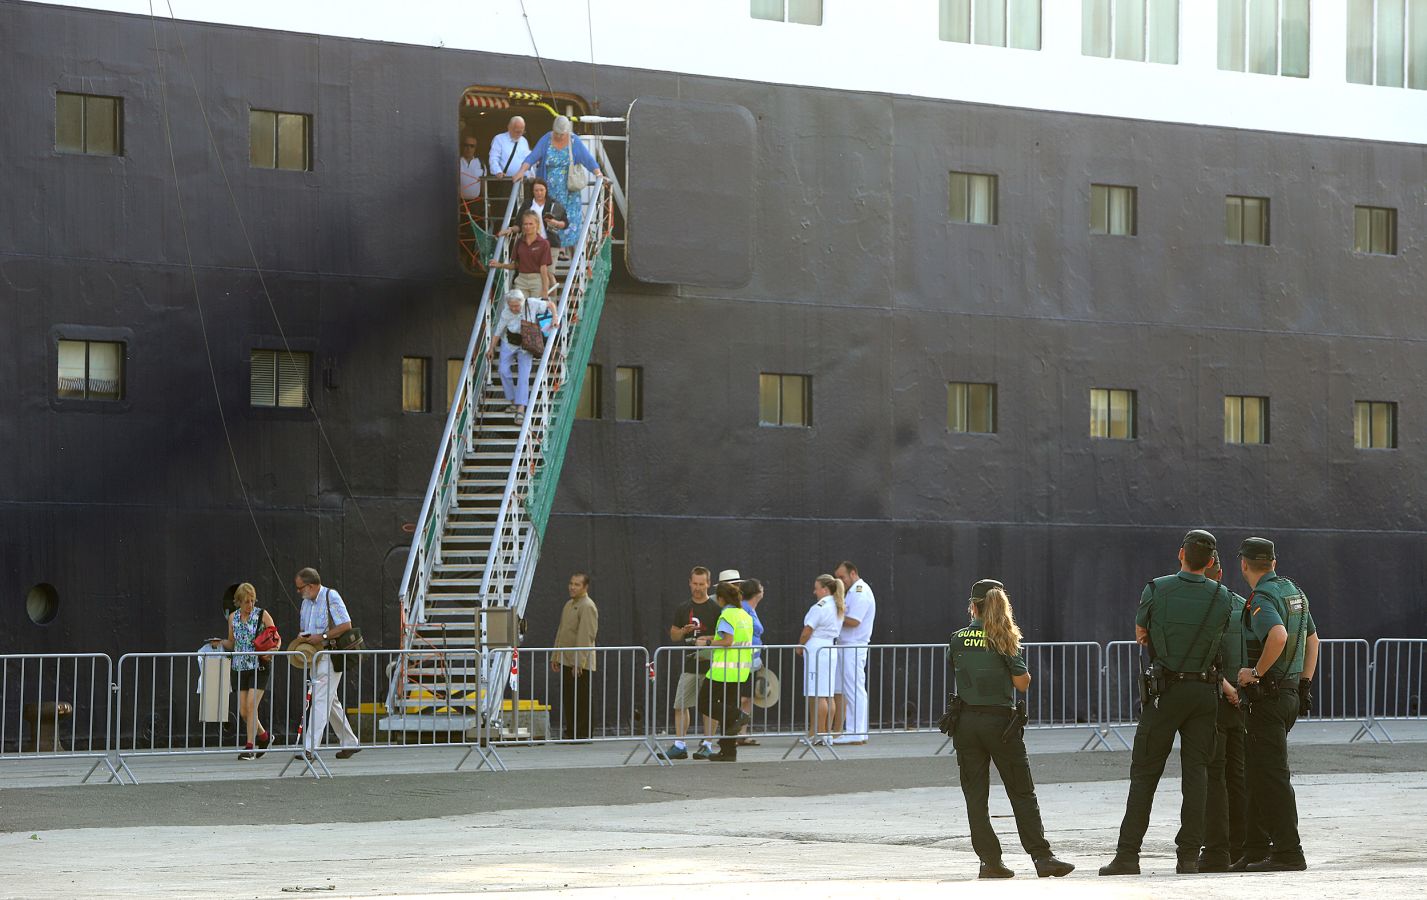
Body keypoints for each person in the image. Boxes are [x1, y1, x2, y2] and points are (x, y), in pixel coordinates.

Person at [1100, 530, 1233, 876]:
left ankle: (1128, 855)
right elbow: (1220, 635)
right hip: (1205, 693)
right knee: (1197, 775)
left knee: (1144, 773)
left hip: (1166, 693)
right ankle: (1189, 857)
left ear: (1181, 554)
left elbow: (1141, 634)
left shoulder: (1156, 589)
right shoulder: (1222, 596)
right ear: (1211, 562)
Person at [948, 579, 1075, 880]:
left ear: (974, 606)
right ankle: (1042, 857)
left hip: (965, 723)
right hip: (1000, 723)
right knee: (1021, 792)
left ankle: (989, 861)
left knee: (976, 795)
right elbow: (1022, 683)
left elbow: (958, 668)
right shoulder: (1003, 638)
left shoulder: (956, 638)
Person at [1232, 537, 1319, 873]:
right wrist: (1304, 685)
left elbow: (1279, 635)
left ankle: (1288, 851)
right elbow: (1313, 640)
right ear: (1273, 562)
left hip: (1267, 699)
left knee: (1272, 777)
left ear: (1243, 564)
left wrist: (1254, 672)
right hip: (1288, 695)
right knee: (1256, 774)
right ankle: (1254, 849)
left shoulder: (1263, 597)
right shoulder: (1293, 592)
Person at [1199, 551, 1249, 872]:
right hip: (1242, 703)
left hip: (1210, 702)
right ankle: (1241, 845)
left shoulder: (1202, 606)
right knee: (1238, 775)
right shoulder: (1244, 605)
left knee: (1212, 776)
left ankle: (1215, 850)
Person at [294, 567, 361, 760]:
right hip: (315, 656)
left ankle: (310, 748)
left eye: (300, 588)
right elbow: (305, 627)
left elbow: (346, 625)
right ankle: (350, 742)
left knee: (321, 699)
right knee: (330, 701)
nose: (298, 592)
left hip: (331, 655)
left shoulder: (331, 596)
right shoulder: (306, 603)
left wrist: (322, 636)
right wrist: (303, 636)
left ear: (312, 585)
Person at [512, 115, 603, 250]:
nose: (559, 136)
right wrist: (521, 171)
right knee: (549, 217)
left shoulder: (574, 140)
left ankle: (565, 250)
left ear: (567, 131)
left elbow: (587, 159)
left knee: (569, 220)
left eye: (562, 134)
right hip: (549, 190)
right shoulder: (546, 139)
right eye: (557, 133)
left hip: (569, 191)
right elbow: (532, 157)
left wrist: (598, 174)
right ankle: (553, 248)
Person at [208, 582, 275, 760]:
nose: (250, 605)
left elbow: (276, 637)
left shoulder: (262, 614)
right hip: (239, 666)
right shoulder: (233, 618)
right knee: (244, 711)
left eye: (252, 601)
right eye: (246, 601)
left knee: (252, 706)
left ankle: (249, 747)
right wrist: (220, 642)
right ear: (238, 601)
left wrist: (272, 651)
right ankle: (264, 737)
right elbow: (233, 642)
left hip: (258, 665)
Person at [693, 581, 755, 762]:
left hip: (722, 670)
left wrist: (708, 643)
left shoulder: (726, 614)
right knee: (728, 709)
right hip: (740, 670)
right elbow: (733, 638)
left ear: (721, 599)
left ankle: (739, 716)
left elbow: (727, 641)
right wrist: (711, 637)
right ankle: (728, 752)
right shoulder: (744, 615)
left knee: (704, 703)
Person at [666, 567, 722, 760]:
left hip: (711, 664)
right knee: (681, 704)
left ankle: (707, 744)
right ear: (689, 583)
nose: (698, 588)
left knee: (710, 706)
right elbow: (673, 635)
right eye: (695, 584)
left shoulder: (716, 609)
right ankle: (680, 744)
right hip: (690, 664)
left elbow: (724, 637)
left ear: (708, 583)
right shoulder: (683, 608)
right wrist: (683, 631)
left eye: (701, 584)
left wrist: (707, 638)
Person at [488, 288, 556, 424]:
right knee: (502, 370)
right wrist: (491, 348)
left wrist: (555, 317)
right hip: (510, 343)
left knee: (523, 376)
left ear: (522, 301)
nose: (514, 308)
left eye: (516, 306)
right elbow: (498, 331)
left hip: (527, 344)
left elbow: (550, 304)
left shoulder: (531, 303)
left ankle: (520, 408)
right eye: (511, 306)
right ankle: (513, 400)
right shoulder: (506, 312)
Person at [833, 560, 876, 744]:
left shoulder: (860, 592)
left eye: (842, 577)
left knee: (854, 689)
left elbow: (854, 621)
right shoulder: (852, 592)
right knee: (849, 688)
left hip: (853, 644)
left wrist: (832, 617)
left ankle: (855, 732)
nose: (839, 581)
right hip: (847, 644)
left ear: (853, 573)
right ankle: (856, 732)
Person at [552, 572, 598, 741]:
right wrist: (556, 655)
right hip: (567, 659)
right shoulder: (569, 604)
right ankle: (571, 731)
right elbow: (562, 630)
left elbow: (586, 635)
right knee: (570, 697)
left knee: (582, 698)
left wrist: (579, 661)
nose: (572, 587)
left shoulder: (587, 606)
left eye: (577, 584)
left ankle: (583, 733)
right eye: (571, 583)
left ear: (585, 587)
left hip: (581, 662)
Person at [799, 574, 844, 744]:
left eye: (817, 588)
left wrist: (799, 645)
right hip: (830, 648)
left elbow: (807, 631)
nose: (814, 591)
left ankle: (818, 733)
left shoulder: (820, 606)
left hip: (817, 649)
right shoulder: (838, 605)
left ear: (824, 589)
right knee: (827, 694)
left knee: (817, 694)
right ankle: (823, 733)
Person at [491, 210, 556, 300]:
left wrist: (545, 289)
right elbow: (516, 265)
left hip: (537, 280)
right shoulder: (519, 242)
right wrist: (500, 265)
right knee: (518, 308)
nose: (527, 226)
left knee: (535, 309)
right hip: (521, 279)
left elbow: (543, 268)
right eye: (525, 224)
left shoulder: (544, 243)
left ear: (537, 224)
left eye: (530, 224)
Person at [737, 577, 766, 746]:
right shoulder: (744, 609)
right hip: (742, 661)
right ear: (756, 592)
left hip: (752, 661)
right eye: (761, 587)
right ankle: (731, 733)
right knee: (740, 698)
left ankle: (742, 734)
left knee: (747, 698)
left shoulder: (752, 610)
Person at [502, 178, 569, 250]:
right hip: (530, 245)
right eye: (536, 190)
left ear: (546, 190)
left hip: (550, 244)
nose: (539, 193)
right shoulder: (527, 204)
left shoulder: (554, 204)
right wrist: (511, 229)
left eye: (541, 190)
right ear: (532, 191)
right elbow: (519, 224)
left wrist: (555, 223)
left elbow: (565, 224)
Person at [458, 132, 485, 230]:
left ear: (475, 148)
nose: (468, 148)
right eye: (466, 145)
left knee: (474, 232)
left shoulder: (481, 164)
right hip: (459, 204)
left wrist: (487, 205)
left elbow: (483, 186)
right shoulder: (456, 161)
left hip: (476, 205)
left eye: (472, 146)